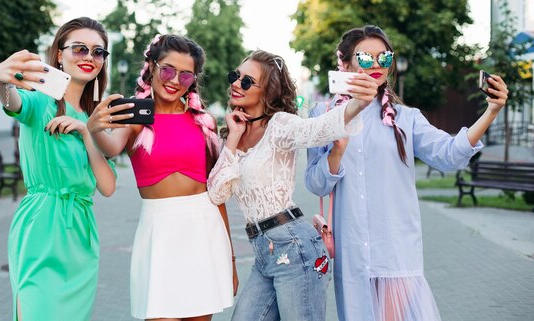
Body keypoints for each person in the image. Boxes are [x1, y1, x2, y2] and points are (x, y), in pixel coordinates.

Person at [305, 25, 509, 321]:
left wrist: (490, 111)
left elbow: (449, 155)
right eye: (365, 58)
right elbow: (315, 184)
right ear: (345, 64)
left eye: (384, 58)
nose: (376, 65)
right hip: (352, 257)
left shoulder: (406, 119)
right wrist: (337, 150)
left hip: (395, 251)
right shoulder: (322, 116)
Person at [207, 49, 378, 321]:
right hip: (263, 253)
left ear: (268, 92)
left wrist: (359, 102)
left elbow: (318, 128)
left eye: (247, 81)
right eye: (235, 76)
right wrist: (233, 138)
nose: (236, 84)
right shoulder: (231, 134)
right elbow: (216, 193)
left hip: (295, 248)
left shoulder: (280, 126)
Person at [87, 34, 237, 321]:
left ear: (193, 80)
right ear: (152, 66)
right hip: (159, 236)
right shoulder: (136, 116)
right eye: (167, 69)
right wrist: (93, 129)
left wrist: (230, 259)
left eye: (185, 75)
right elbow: (112, 146)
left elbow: (217, 194)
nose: (173, 80)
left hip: (204, 232)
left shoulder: (203, 122)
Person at [0, 17, 117, 321]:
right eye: (79, 48)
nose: (89, 57)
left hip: (81, 237)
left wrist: (86, 133)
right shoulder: (39, 102)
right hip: (41, 227)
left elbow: (108, 187)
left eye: (98, 52)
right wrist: (1, 80)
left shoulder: (97, 120)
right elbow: (12, 101)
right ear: (59, 54)